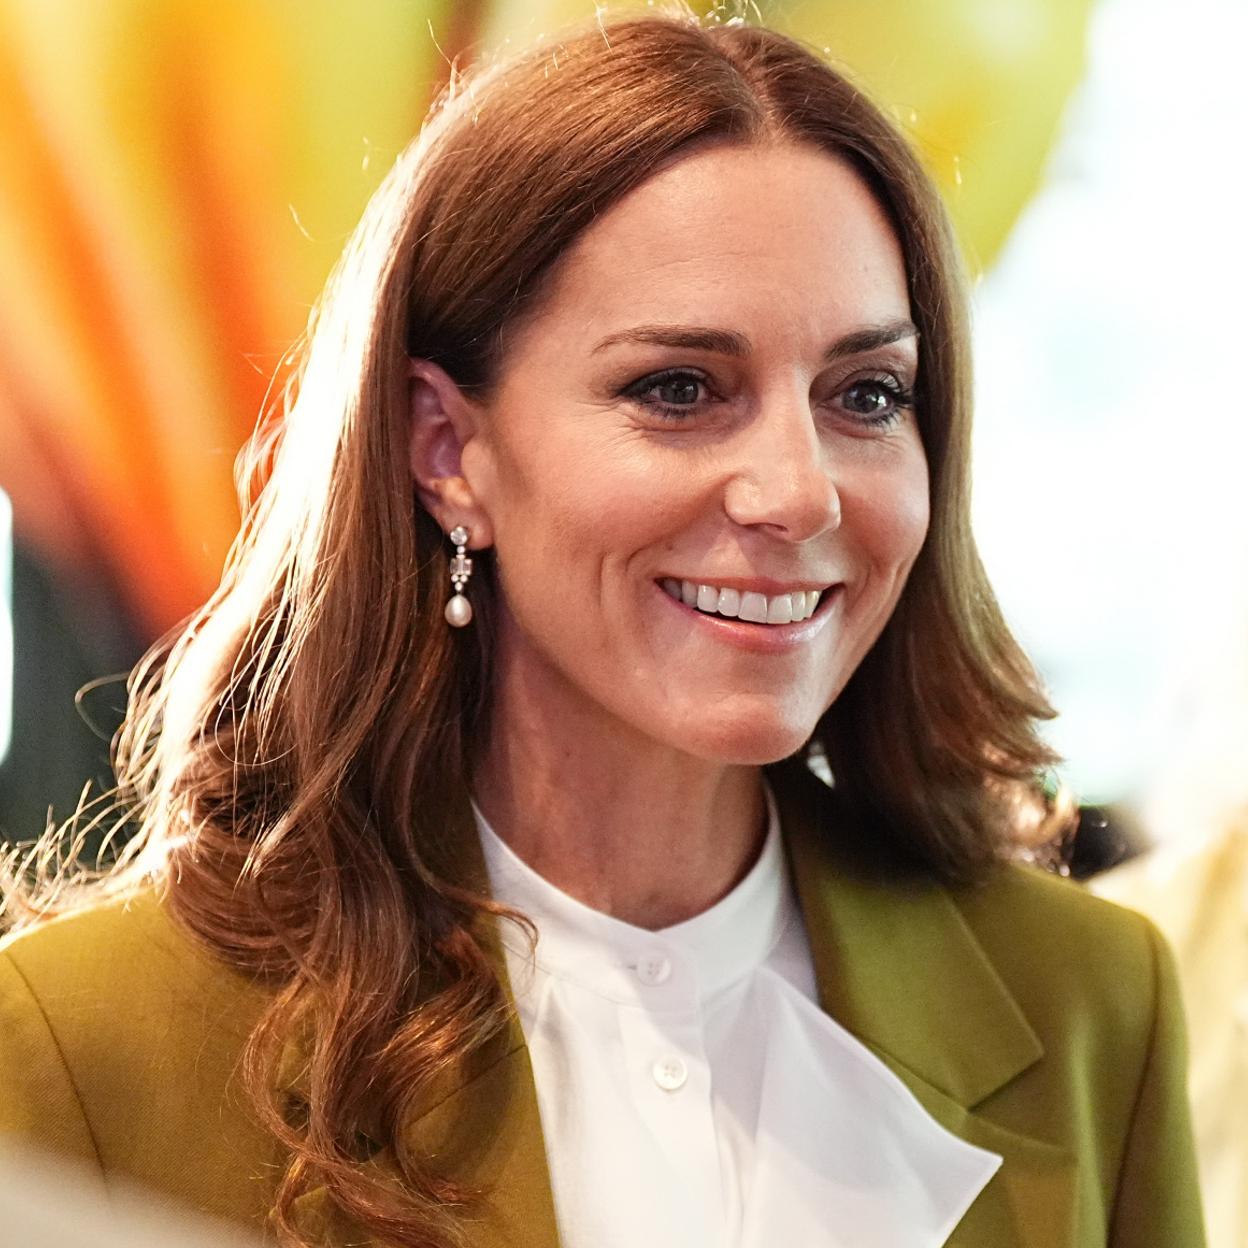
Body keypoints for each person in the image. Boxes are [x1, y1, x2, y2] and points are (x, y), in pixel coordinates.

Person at [0, 12, 1205, 1247]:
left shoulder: (1092, 1006)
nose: (798, 492)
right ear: (445, 449)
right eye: (678, 389)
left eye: (866, 395)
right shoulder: (83, 1043)